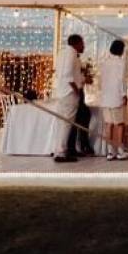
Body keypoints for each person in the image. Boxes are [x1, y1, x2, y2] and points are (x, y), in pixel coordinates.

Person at [52, 34, 87, 163]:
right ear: (77, 43)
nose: (84, 46)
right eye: (82, 43)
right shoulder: (72, 54)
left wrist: (82, 79)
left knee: (61, 123)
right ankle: (61, 153)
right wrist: (77, 90)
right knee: (66, 124)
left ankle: (59, 150)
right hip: (69, 93)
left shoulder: (62, 53)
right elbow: (68, 76)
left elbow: (63, 73)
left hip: (61, 92)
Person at [99, 39, 128, 161]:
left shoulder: (104, 62)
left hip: (105, 98)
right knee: (120, 124)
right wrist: (124, 94)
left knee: (109, 124)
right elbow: (121, 80)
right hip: (116, 97)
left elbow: (102, 81)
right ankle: (120, 151)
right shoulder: (121, 63)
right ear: (121, 50)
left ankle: (110, 152)